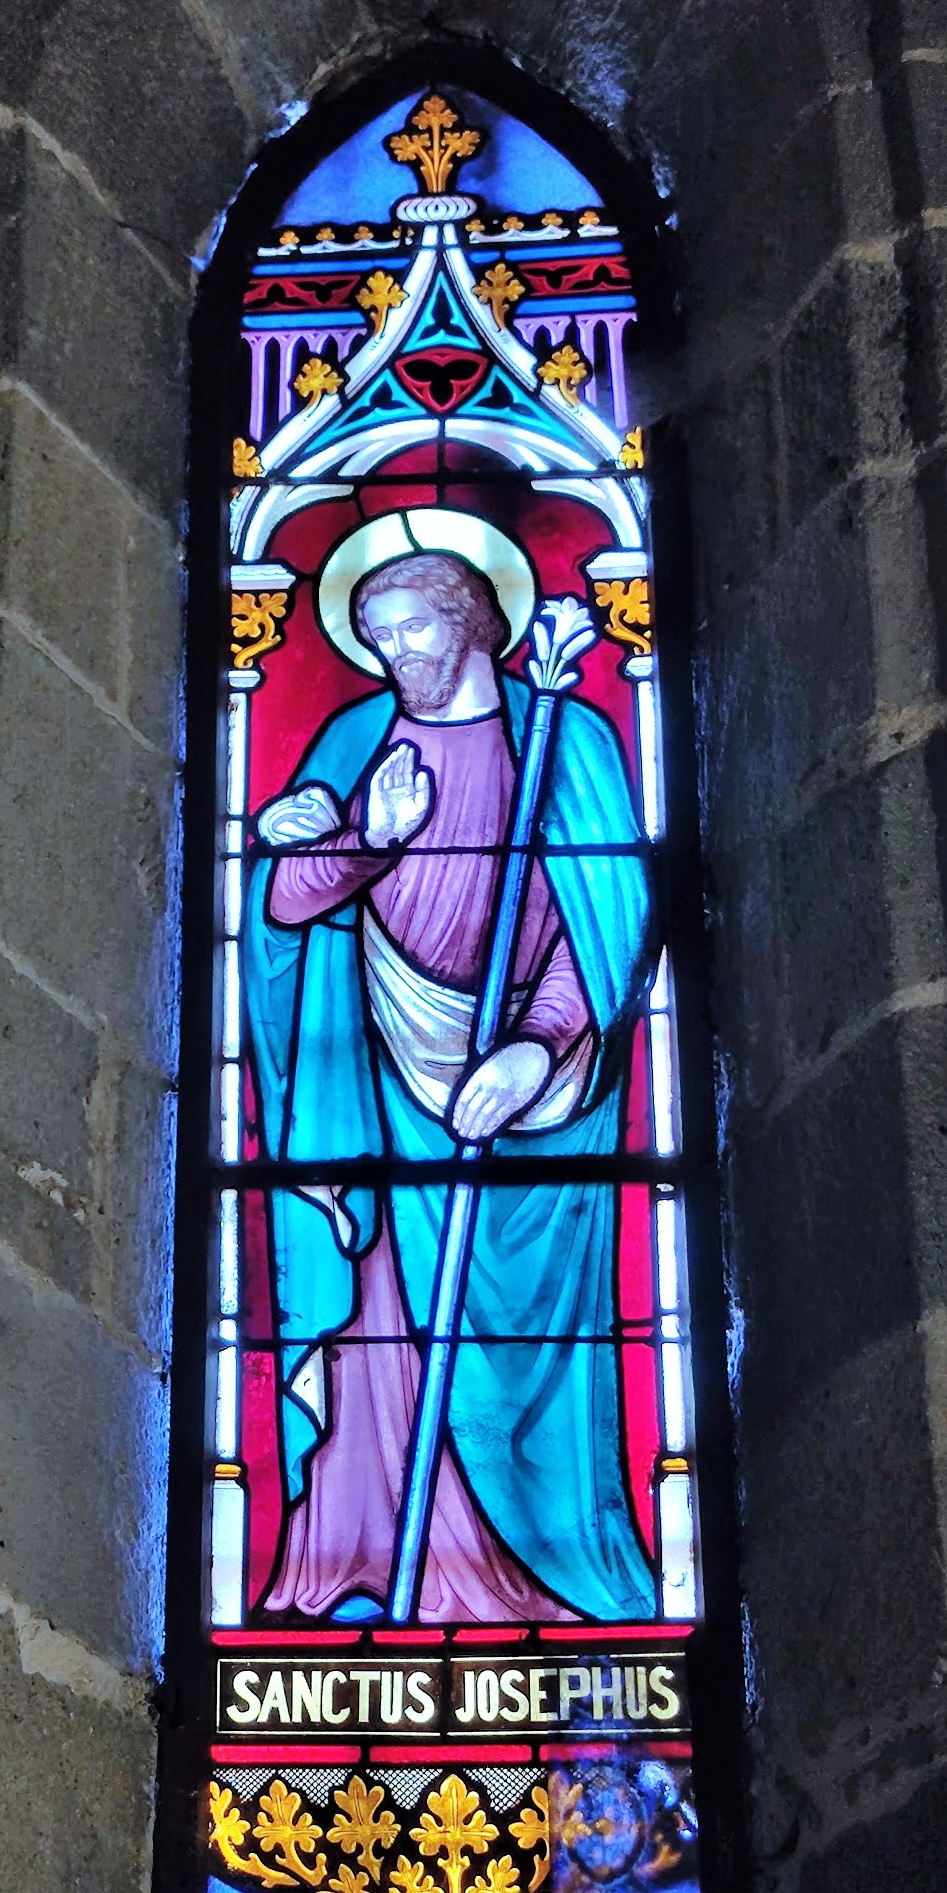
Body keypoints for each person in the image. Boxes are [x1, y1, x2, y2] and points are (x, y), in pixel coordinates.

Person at [244, 526, 658, 1622]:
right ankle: (385, 1570)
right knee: (383, 1332)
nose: (395, 653)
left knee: (526, 1351)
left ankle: (544, 1585)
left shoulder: (564, 737)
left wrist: (536, 1045)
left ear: (474, 620)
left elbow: (609, 924)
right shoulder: (354, 739)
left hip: (537, 1094)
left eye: (413, 627)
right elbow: (285, 903)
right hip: (382, 1079)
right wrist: (366, 840)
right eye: (376, 635)